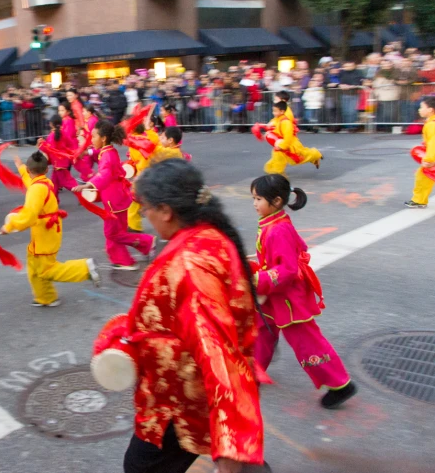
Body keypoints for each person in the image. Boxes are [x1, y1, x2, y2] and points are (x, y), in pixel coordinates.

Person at [114, 159, 265, 473]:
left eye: (147, 209)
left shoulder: (190, 267)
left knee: (140, 467)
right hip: (183, 382)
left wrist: (231, 440)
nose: (146, 216)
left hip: (184, 394)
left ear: (166, 210)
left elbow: (219, 357)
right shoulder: (207, 235)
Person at [252, 174, 357, 408]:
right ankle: (252, 371)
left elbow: (287, 270)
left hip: (287, 297)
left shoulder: (278, 230)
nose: (254, 203)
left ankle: (341, 384)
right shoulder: (273, 223)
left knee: (306, 342)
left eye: (258, 198)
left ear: (276, 201)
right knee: (261, 328)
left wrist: (257, 278)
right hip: (274, 293)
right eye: (254, 198)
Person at [2, 152, 100, 307]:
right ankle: (46, 297)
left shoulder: (36, 190)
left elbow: (28, 216)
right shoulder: (43, 182)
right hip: (46, 231)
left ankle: (84, 268)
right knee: (34, 266)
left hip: (45, 233)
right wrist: (20, 167)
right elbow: (30, 181)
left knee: (47, 269)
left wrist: (9, 226)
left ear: (29, 170)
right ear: (47, 170)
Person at [73, 120, 156, 271]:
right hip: (117, 197)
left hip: (114, 200)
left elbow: (104, 174)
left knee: (112, 233)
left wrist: (88, 185)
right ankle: (122, 258)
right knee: (116, 233)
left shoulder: (107, 156)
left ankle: (143, 245)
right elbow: (100, 155)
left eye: (93, 136)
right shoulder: (108, 150)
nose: (91, 140)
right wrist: (88, 152)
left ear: (103, 138)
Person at [263, 102, 323, 175]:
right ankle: (275, 174)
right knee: (277, 161)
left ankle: (315, 154)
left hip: (289, 145)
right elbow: (273, 124)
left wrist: (282, 146)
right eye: (273, 111)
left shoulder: (286, 121)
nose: (273, 113)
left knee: (299, 158)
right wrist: (268, 130)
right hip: (280, 143)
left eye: (275, 111)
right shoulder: (278, 118)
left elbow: (288, 136)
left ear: (282, 111)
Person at [39, 115, 78, 199]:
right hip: (62, 162)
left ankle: (81, 192)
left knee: (66, 182)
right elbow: (71, 144)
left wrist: (41, 145)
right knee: (54, 183)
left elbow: (49, 149)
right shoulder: (63, 133)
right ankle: (54, 200)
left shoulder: (52, 136)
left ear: (51, 124)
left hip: (58, 163)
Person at [405, 96, 435, 208]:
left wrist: (429, 159)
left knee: (423, 175)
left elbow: (433, 142)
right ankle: (419, 200)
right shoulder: (431, 122)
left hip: (432, 157)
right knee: (423, 175)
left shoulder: (432, 124)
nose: (419, 109)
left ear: (430, 110)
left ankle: (419, 200)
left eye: (422, 107)